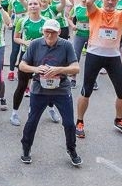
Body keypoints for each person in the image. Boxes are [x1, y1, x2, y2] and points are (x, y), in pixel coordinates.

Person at [76, 0, 122, 138]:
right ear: (102, 0)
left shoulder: (120, 15)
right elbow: (88, 2)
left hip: (113, 57)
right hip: (94, 55)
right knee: (86, 90)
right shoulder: (95, 12)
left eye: (113, 0)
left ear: (117, 1)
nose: (110, 2)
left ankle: (119, 119)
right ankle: (79, 121)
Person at [18, 19, 82, 166]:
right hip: (39, 89)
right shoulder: (35, 44)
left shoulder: (66, 45)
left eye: (53, 32)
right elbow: (22, 65)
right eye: (47, 31)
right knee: (32, 121)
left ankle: (71, 149)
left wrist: (59, 69)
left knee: (69, 123)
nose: (49, 35)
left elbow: (76, 68)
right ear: (43, 31)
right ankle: (26, 148)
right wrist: (36, 69)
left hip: (61, 89)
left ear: (59, 32)